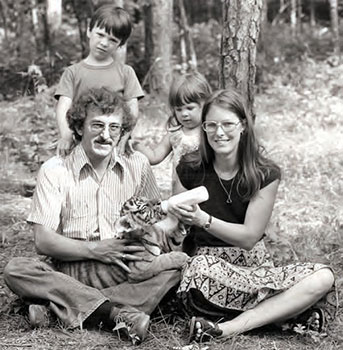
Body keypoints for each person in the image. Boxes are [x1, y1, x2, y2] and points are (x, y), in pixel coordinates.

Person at [3, 88, 180, 345]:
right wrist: (96, 250)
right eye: (97, 125)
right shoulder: (55, 170)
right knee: (17, 269)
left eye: (114, 128)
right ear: (78, 127)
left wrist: (167, 225)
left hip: (125, 267)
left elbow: (155, 219)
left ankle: (57, 306)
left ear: (122, 131)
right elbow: (43, 241)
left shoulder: (138, 164)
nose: (106, 135)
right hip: (71, 266)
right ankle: (112, 314)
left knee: (173, 271)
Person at [167, 89, 335, 342]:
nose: (219, 132)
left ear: (243, 125)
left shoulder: (264, 173)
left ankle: (225, 328)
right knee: (197, 272)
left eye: (227, 124)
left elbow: (249, 237)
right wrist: (175, 228)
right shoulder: (189, 168)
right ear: (203, 128)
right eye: (211, 125)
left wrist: (204, 220)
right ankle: (285, 313)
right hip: (208, 270)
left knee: (323, 276)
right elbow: (174, 229)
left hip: (255, 269)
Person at [54, 4, 144, 156]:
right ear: (89, 31)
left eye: (112, 40)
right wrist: (66, 135)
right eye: (100, 35)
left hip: (114, 143)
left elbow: (132, 109)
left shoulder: (126, 72)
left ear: (120, 44)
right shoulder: (72, 72)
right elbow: (63, 108)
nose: (104, 43)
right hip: (80, 142)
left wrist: (126, 135)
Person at [134, 72, 212, 192]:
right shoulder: (174, 134)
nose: (184, 114)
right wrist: (136, 144)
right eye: (179, 109)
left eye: (190, 108)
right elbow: (155, 157)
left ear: (205, 104)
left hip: (206, 188)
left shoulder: (209, 132)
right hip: (180, 190)